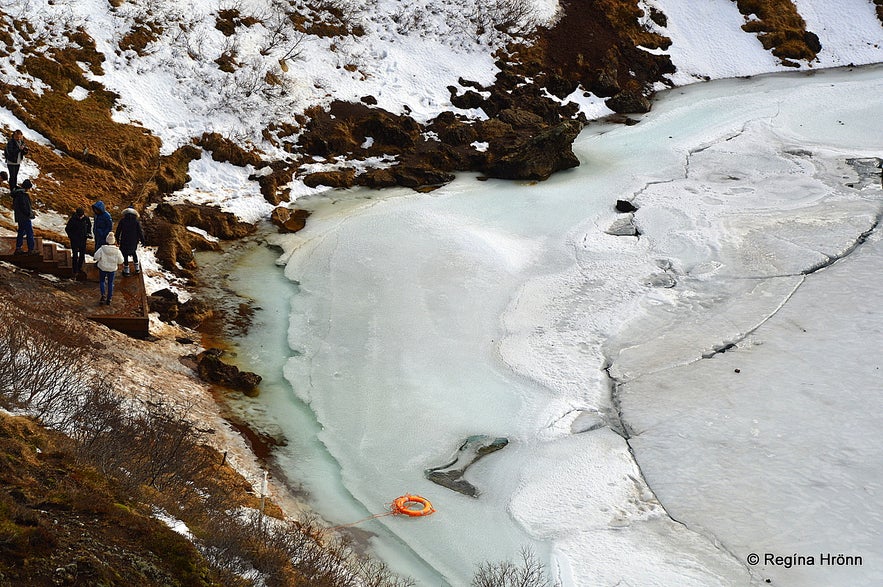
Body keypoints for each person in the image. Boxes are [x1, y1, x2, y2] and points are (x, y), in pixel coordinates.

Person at [93, 232, 124, 305]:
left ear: (107, 240)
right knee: (110, 283)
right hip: (112, 269)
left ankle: (103, 295)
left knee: (102, 281)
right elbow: (121, 261)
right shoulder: (117, 251)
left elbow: (96, 257)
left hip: (102, 268)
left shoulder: (102, 248)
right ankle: (109, 298)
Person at [115, 207, 144, 276]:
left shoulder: (122, 221)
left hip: (124, 240)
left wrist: (117, 240)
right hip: (133, 241)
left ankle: (126, 271)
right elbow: (140, 232)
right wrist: (142, 240)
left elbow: (118, 231)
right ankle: (137, 269)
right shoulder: (136, 222)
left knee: (125, 255)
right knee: (133, 253)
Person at [65, 207, 92, 279]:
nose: (81, 217)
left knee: (82, 255)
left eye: (81, 215)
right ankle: (74, 270)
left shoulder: (86, 219)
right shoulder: (72, 219)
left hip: (83, 239)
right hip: (74, 240)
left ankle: (79, 268)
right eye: (79, 215)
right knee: (75, 255)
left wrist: (88, 233)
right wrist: (71, 237)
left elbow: (89, 226)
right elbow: (67, 229)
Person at [12, 179, 37, 255]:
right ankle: (31, 249)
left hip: (20, 217)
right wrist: (29, 214)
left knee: (21, 232)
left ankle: (18, 248)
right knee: (29, 232)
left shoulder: (17, 193)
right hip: (24, 217)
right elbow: (24, 207)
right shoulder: (22, 195)